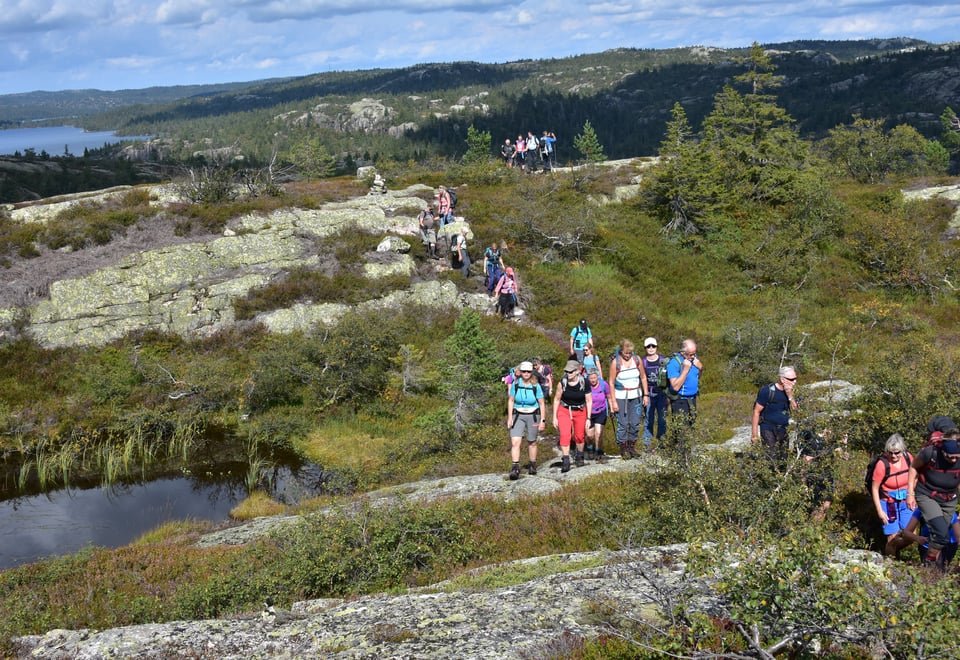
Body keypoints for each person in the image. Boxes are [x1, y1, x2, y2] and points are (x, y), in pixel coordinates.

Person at [906, 429, 960, 567]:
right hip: (927, 495)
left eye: (956, 457)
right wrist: (910, 494)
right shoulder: (930, 453)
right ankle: (930, 564)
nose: (953, 460)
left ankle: (930, 565)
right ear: (943, 450)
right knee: (942, 534)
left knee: (939, 536)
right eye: (950, 457)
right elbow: (913, 467)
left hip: (949, 499)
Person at [868, 433, 915, 555]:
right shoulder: (882, 465)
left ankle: (893, 549)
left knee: (911, 535)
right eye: (890, 452)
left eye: (897, 453)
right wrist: (880, 511)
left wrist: (911, 494)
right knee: (892, 537)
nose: (893, 456)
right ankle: (891, 560)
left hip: (906, 501)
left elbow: (915, 476)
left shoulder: (908, 458)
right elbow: (874, 489)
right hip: (888, 503)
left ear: (902, 450)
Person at [507, 361, 547, 480]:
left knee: (532, 441)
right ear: (520, 372)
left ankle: (532, 465)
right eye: (523, 371)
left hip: (533, 415)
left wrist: (542, 420)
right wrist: (510, 417)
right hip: (517, 415)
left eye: (528, 371)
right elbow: (511, 400)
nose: (526, 373)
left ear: (531, 372)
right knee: (515, 442)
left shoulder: (536, 386)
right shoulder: (515, 384)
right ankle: (515, 467)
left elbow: (542, 403)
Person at [609, 339, 648, 459]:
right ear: (621, 351)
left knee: (635, 423)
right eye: (626, 353)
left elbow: (643, 377)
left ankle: (632, 447)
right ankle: (623, 448)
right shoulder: (616, 363)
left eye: (630, 353)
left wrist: (646, 395)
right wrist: (613, 402)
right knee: (623, 424)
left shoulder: (637, 360)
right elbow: (611, 383)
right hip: (621, 397)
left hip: (636, 396)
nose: (628, 355)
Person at [750, 366, 799, 462]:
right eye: (791, 379)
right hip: (768, 428)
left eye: (795, 378)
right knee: (771, 459)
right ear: (782, 379)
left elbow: (797, 412)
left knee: (783, 460)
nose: (795, 381)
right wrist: (754, 435)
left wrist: (790, 396)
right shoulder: (767, 390)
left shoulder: (794, 392)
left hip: (784, 429)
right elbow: (756, 411)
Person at [553, 359, 592, 472]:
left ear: (577, 371)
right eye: (567, 371)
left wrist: (588, 418)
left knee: (579, 436)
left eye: (570, 371)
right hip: (564, 410)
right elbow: (556, 399)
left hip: (580, 411)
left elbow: (589, 400)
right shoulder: (562, 382)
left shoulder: (584, 382)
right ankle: (566, 460)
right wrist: (555, 417)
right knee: (565, 435)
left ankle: (579, 455)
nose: (568, 373)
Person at [640, 337, 667, 450]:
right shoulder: (642, 362)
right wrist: (644, 395)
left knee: (662, 419)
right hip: (649, 394)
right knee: (648, 419)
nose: (651, 348)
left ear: (656, 347)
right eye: (648, 346)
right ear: (645, 348)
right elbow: (641, 378)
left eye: (653, 346)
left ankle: (662, 443)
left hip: (662, 394)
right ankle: (647, 444)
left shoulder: (663, 360)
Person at [666, 339, 702, 421]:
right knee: (681, 428)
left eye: (694, 353)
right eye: (691, 354)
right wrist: (685, 370)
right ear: (682, 353)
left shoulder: (694, 359)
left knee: (692, 426)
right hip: (680, 402)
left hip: (693, 400)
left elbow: (697, 377)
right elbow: (675, 387)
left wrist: (701, 368)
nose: (693, 356)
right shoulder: (674, 363)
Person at [586, 368, 612, 462]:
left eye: (594, 377)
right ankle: (589, 448)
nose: (593, 380)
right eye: (591, 378)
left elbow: (609, 397)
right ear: (588, 378)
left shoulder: (604, 385)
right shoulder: (585, 386)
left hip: (601, 411)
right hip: (588, 413)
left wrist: (612, 409)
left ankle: (598, 451)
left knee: (598, 433)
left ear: (597, 377)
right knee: (589, 435)